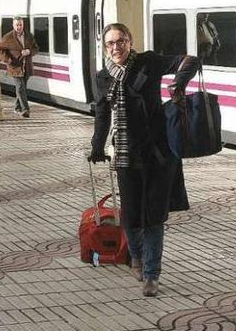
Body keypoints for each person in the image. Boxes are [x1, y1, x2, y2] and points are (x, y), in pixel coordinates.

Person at [88, 23, 199, 297]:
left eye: (121, 41)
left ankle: (152, 274)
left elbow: (191, 60)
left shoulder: (147, 62)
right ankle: (135, 256)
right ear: (105, 47)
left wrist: (178, 82)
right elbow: (102, 115)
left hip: (158, 154)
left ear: (130, 41)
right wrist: (96, 147)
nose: (116, 47)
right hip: (126, 155)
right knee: (130, 217)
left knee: (153, 218)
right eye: (111, 43)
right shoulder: (103, 77)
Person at [0, 16, 39, 118]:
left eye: (20, 25)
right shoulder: (8, 37)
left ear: (23, 25)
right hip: (15, 67)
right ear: (13, 25)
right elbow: (0, 50)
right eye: (17, 25)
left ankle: (17, 107)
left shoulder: (29, 36)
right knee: (20, 87)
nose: (19, 27)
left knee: (22, 88)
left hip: (27, 66)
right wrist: (8, 60)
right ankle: (25, 109)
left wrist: (29, 51)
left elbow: (36, 48)